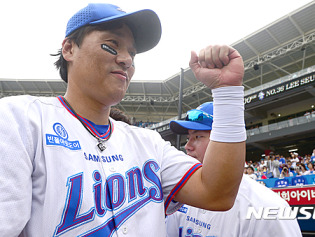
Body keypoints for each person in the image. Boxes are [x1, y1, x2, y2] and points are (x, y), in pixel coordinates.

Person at [0, 3, 246, 236]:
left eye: (132, 53)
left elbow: (217, 194)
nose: (126, 59)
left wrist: (227, 92)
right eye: (112, 44)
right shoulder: (22, 118)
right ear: (69, 49)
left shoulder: (149, 142)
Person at [166, 102, 302, 237]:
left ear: (225, 142)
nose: (187, 146)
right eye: (188, 138)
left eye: (198, 136)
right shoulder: (182, 195)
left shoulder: (268, 207)